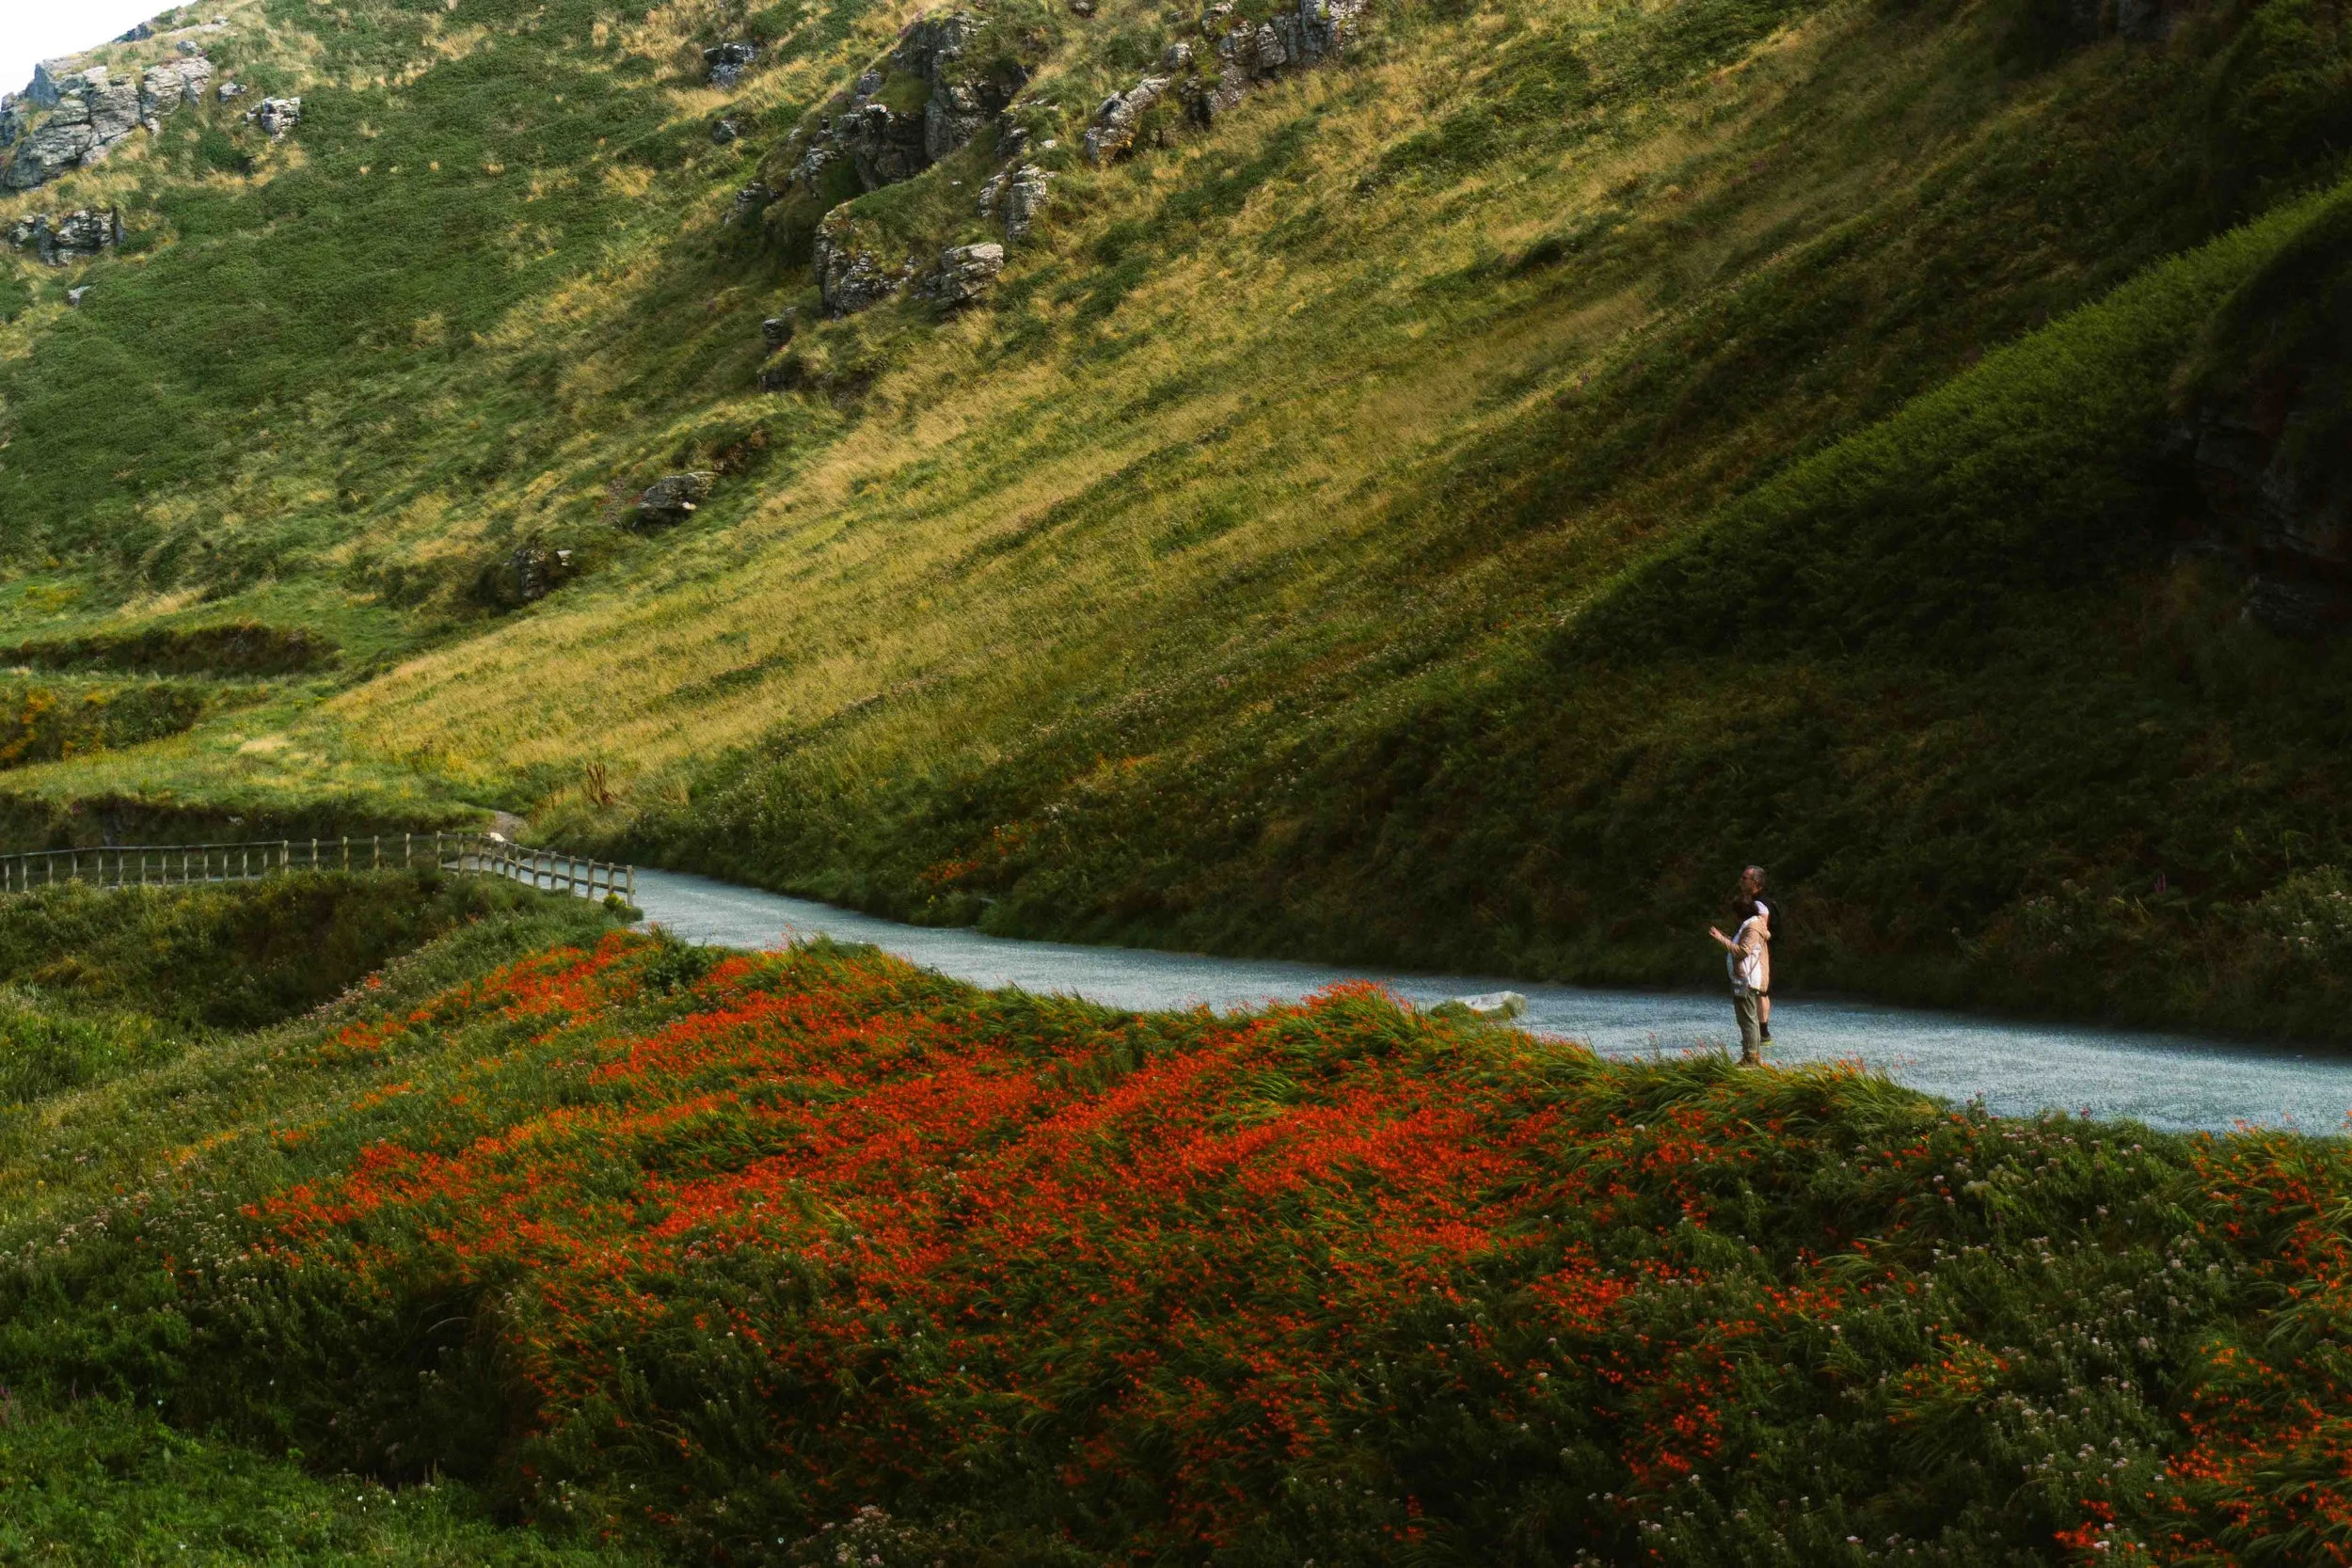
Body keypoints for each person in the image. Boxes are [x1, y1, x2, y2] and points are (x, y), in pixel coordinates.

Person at [1708, 899, 1770, 1065]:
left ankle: (1750, 1058)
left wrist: (1721, 939)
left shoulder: (1752, 927)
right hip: (1744, 979)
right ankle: (1752, 1057)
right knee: (1748, 1019)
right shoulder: (1751, 925)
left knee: (1747, 1019)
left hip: (1746, 980)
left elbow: (1743, 951)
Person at [1739, 864, 1778, 1043]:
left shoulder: (1760, 903)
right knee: (1758, 989)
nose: (1741, 881)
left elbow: (1761, 928)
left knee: (1761, 989)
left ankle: (1763, 1032)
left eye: (1744, 878)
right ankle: (1758, 1031)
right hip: (1758, 949)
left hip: (1760, 951)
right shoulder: (1754, 900)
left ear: (1754, 882)